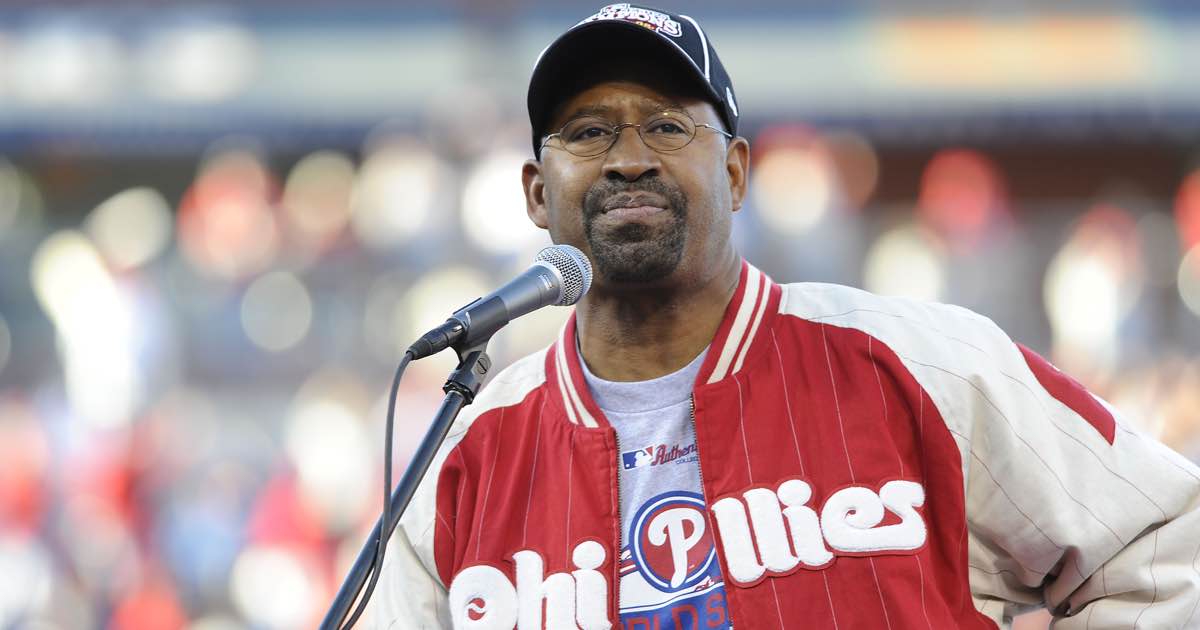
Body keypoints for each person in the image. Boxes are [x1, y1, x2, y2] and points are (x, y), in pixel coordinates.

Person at [376, 4, 1200, 628]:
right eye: (588, 133)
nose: (629, 158)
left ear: (736, 174)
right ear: (534, 192)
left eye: (667, 125)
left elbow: (1166, 541)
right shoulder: (462, 463)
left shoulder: (923, 360)